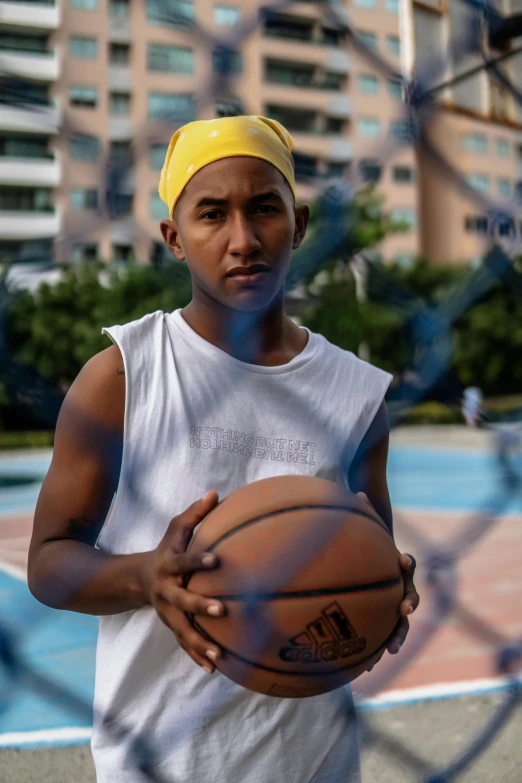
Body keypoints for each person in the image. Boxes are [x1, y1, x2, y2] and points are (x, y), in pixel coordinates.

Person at [27, 115, 419, 783]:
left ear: (295, 226)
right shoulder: (124, 374)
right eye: (213, 214)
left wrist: (386, 589)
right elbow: (48, 561)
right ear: (175, 239)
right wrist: (145, 575)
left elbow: (369, 554)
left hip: (316, 759)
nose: (243, 239)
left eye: (263, 208)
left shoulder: (356, 394)